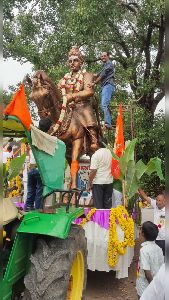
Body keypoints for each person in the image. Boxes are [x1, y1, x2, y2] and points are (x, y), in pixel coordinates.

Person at [58, 46, 99, 151]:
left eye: (75, 60)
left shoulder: (87, 75)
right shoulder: (63, 79)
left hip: (82, 105)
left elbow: (89, 91)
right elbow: (58, 92)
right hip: (67, 108)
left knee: (86, 111)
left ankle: (94, 139)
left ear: (81, 63)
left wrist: (72, 96)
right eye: (70, 61)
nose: (72, 63)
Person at [136, 221, 164, 299]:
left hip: (145, 286)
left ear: (143, 234)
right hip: (156, 283)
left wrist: (153, 288)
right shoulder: (159, 249)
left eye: (140, 230)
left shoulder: (144, 250)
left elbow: (147, 273)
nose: (139, 232)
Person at [91, 51, 115, 129]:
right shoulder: (104, 66)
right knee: (103, 105)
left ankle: (108, 123)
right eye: (101, 56)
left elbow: (102, 75)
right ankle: (108, 118)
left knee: (104, 104)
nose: (103, 57)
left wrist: (94, 83)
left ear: (108, 56)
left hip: (108, 86)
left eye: (104, 56)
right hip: (104, 86)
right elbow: (97, 74)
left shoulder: (109, 64)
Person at [138, 188, 165, 256]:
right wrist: (138, 187)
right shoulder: (155, 205)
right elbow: (145, 197)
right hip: (154, 238)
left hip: (164, 239)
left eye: (159, 200)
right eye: (156, 200)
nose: (157, 202)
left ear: (165, 201)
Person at [87, 141, 113, 209]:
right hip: (109, 183)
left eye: (93, 143)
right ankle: (107, 219)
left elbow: (93, 171)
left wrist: (89, 183)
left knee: (98, 207)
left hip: (98, 183)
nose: (91, 145)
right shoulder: (111, 153)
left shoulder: (96, 155)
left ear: (98, 144)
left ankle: (99, 220)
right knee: (108, 206)